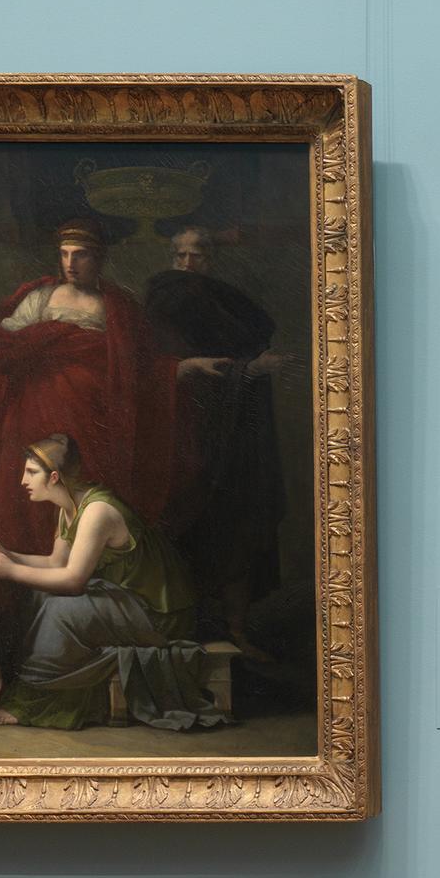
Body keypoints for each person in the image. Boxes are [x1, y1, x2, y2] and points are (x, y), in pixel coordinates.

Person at [0, 223, 208, 585]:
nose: (70, 263)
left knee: (83, 500)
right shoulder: (39, 300)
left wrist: (187, 367)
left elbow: (143, 371)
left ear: (99, 257)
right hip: (31, 420)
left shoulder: (119, 309)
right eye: (64, 254)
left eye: (79, 255)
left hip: (91, 428)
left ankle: (85, 594)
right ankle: (20, 601)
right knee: (25, 503)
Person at [0, 433, 235, 732]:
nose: (22, 480)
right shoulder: (67, 506)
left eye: (31, 472)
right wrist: (8, 555)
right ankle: (40, 693)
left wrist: (10, 571)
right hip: (125, 600)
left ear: (54, 476)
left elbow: (72, 581)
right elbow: (56, 564)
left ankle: (40, 704)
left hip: (158, 615)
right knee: (41, 596)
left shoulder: (97, 511)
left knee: (60, 612)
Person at [145, 224, 291, 635]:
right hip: (184, 430)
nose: (189, 264)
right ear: (172, 259)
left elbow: (245, 352)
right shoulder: (162, 300)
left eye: (198, 255)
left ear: (211, 259)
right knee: (186, 528)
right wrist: (246, 369)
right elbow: (147, 368)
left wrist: (249, 369)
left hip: (235, 433)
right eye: (181, 256)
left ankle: (237, 632)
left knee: (237, 528)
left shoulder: (229, 302)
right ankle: (180, 631)